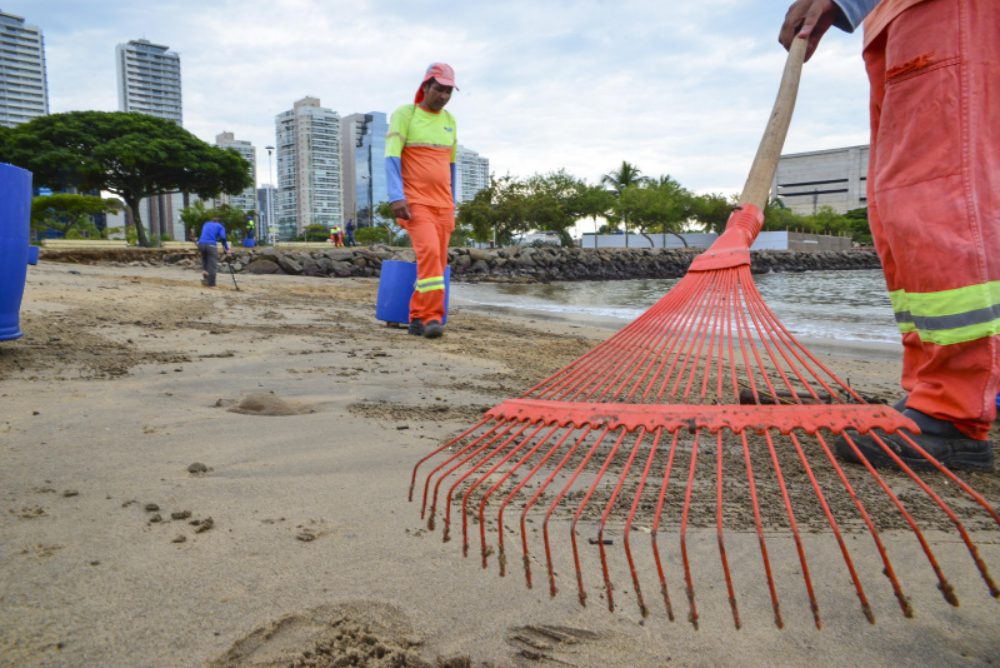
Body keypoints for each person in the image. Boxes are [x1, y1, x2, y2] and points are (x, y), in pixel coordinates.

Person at [779, 0, 997, 471]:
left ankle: (954, 409)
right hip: (894, 18)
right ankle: (935, 388)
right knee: (897, 207)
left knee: (937, 194)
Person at [385, 62, 459, 339]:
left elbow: (451, 167)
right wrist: (396, 197)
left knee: (437, 263)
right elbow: (391, 157)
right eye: (439, 89)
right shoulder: (406, 114)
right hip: (415, 201)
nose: (443, 96)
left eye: (449, 91)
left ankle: (416, 318)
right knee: (428, 253)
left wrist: (453, 201)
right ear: (425, 86)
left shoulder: (450, 121)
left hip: (444, 204)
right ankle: (431, 318)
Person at [197, 218, 230, 288]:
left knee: (205, 260)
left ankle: (205, 276)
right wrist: (226, 248)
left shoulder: (206, 224)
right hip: (211, 245)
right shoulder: (220, 226)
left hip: (201, 244)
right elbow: (223, 238)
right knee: (212, 265)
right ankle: (212, 284)